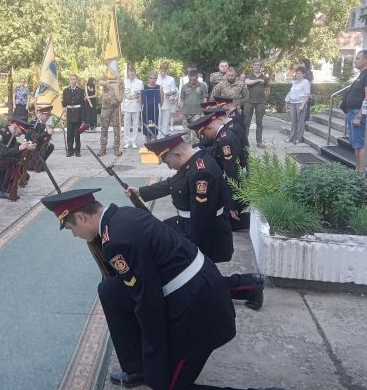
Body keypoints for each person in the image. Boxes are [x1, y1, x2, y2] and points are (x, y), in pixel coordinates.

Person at [40, 188, 237, 390]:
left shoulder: (116, 241)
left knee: (164, 385)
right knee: (110, 290)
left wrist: (155, 363)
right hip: (199, 287)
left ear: (81, 217)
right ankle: (136, 369)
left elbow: (148, 304)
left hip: (201, 309)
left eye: (71, 228)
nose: (74, 235)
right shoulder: (121, 216)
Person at [126, 134, 263, 310]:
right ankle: (250, 285)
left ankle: (250, 285)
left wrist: (191, 249)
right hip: (187, 224)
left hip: (203, 232)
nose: (169, 167)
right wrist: (141, 192)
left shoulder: (201, 172)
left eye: (167, 162)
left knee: (196, 281)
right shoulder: (193, 161)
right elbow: (172, 184)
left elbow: (202, 218)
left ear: (177, 154)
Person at [340, 50, 367, 172]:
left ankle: (361, 172)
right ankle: (357, 170)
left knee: (360, 144)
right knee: (356, 144)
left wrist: (359, 115)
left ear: (366, 59)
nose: (355, 61)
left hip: (358, 112)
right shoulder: (363, 74)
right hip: (352, 112)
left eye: (357, 58)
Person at [0, 117, 35, 199]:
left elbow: (14, 146)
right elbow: (1, 152)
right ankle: (6, 191)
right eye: (20, 132)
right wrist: (19, 148)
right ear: (15, 126)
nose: (20, 135)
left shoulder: (11, 134)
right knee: (13, 162)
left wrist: (26, 146)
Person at [244, 59, 270, 148]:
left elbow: (267, 89)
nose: (256, 66)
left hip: (260, 103)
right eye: (255, 65)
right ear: (252, 66)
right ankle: (245, 142)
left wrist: (265, 99)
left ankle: (259, 142)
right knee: (246, 123)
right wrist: (258, 80)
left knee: (259, 123)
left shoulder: (265, 78)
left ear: (260, 66)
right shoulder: (248, 76)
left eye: (258, 65)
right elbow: (247, 82)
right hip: (248, 102)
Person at [179, 69, 208, 144]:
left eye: (194, 80)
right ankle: (187, 151)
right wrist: (180, 112)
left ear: (197, 77)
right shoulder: (184, 87)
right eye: (190, 79)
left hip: (197, 113)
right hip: (186, 113)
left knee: (196, 133)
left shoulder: (202, 86)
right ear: (188, 77)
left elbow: (205, 99)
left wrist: (203, 112)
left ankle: (196, 149)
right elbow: (182, 100)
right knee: (186, 134)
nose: (192, 81)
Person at [98, 76, 124, 156]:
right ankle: (103, 149)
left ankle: (116, 149)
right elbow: (100, 82)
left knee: (116, 129)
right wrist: (110, 81)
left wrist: (118, 96)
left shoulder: (120, 81)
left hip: (115, 108)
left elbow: (121, 96)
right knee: (104, 129)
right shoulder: (105, 78)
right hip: (105, 108)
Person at [284, 65, 310, 144]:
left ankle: (299, 138)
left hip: (300, 103)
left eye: (300, 73)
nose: (298, 74)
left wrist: (302, 105)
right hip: (293, 103)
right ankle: (291, 137)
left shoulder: (305, 82)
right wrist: (286, 102)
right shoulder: (294, 82)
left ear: (303, 74)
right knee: (293, 121)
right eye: (297, 73)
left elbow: (307, 95)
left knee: (300, 122)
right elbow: (290, 92)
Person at [25, 105, 55, 172]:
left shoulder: (43, 123)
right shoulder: (34, 123)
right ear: (41, 114)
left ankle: (41, 162)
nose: (47, 118)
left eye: (48, 116)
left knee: (51, 146)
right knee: (31, 166)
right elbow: (34, 137)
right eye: (46, 116)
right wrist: (47, 133)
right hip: (31, 145)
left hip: (39, 143)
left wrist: (47, 138)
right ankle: (34, 163)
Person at [62, 74, 85, 157]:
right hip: (69, 114)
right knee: (70, 133)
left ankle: (77, 150)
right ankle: (70, 150)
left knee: (77, 133)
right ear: (69, 80)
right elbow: (64, 104)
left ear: (76, 80)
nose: (72, 81)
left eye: (74, 79)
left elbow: (83, 105)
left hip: (78, 114)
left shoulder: (81, 91)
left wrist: (83, 118)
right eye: (71, 79)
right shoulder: (65, 91)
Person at [122, 65, 144, 149]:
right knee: (126, 124)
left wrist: (141, 102)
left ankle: (134, 141)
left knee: (135, 124)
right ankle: (127, 141)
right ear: (128, 74)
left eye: (133, 74)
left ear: (135, 73)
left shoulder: (140, 82)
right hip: (127, 104)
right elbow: (123, 96)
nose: (131, 75)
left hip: (136, 104)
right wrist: (122, 107)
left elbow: (141, 95)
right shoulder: (124, 82)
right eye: (130, 74)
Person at [156, 61, 178, 137]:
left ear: (167, 71)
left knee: (165, 120)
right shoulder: (156, 78)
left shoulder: (171, 79)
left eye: (165, 71)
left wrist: (166, 93)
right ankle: (158, 136)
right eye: (161, 70)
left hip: (166, 101)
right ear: (159, 70)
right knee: (158, 119)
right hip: (157, 101)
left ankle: (164, 136)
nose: (163, 72)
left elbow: (174, 90)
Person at [141, 71, 163, 143]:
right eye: (151, 78)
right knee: (147, 126)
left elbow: (161, 100)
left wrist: (160, 107)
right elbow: (141, 99)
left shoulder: (159, 87)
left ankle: (154, 141)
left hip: (155, 110)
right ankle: (147, 141)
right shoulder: (144, 87)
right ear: (148, 78)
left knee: (153, 125)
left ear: (156, 79)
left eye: (154, 78)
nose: (152, 80)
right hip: (146, 110)